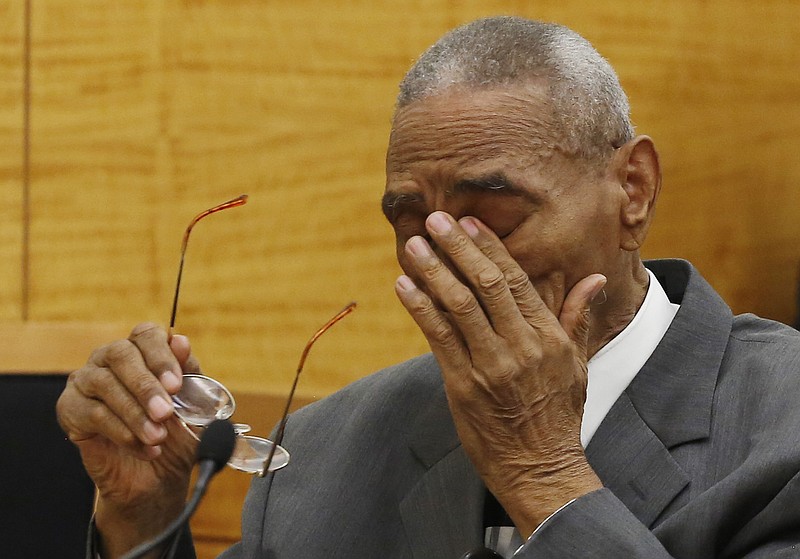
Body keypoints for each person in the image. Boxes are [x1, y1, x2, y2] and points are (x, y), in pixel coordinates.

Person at [57, 15, 800, 559]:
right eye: (412, 225)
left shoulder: (779, 421)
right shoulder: (321, 455)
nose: (443, 264)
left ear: (631, 190)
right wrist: (142, 524)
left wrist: (544, 475)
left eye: (493, 217)